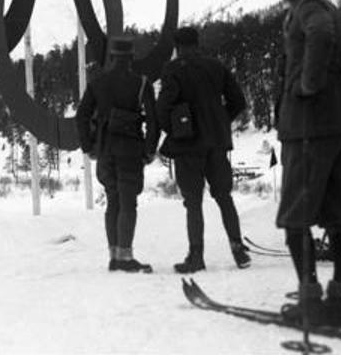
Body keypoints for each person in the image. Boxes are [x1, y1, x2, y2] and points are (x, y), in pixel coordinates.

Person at [272, 0, 341, 326]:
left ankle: (310, 301)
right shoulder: (329, 5)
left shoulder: (308, 6)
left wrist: (307, 84)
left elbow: (321, 33)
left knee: (296, 214)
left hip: (311, 125)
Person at [156, 26, 252, 273]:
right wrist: (219, 122)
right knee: (224, 197)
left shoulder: (173, 70)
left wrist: (175, 130)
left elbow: (163, 108)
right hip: (217, 143)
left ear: (177, 47)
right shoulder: (216, 67)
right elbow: (238, 101)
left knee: (193, 202)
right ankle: (238, 249)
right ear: (197, 44)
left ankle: (196, 256)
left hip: (188, 146)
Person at [77, 36, 160, 273]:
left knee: (113, 201)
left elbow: (82, 116)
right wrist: (149, 150)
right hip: (131, 150)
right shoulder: (142, 83)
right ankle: (125, 257)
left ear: (112, 57)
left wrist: (88, 147)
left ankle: (114, 256)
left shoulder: (97, 82)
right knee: (128, 203)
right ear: (131, 57)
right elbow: (154, 121)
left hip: (104, 150)